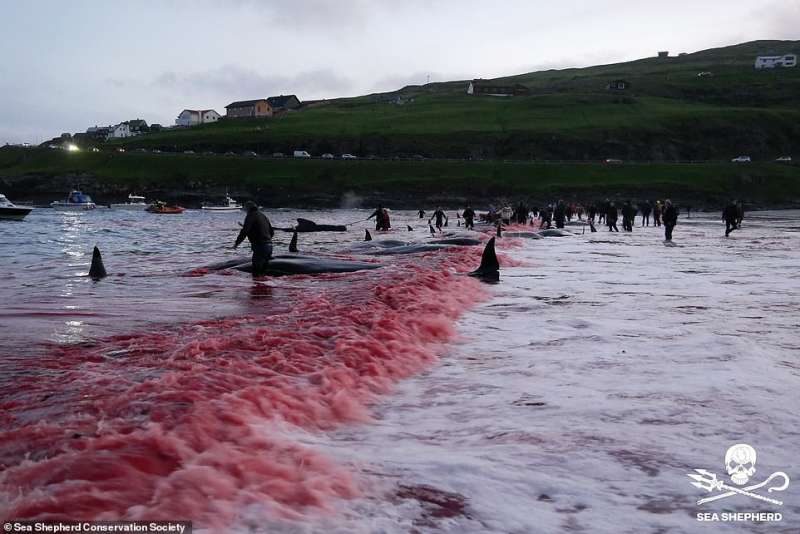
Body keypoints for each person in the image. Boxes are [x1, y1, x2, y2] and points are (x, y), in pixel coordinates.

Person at [234, 201, 274, 277]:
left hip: (260, 247)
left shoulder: (251, 215)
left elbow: (245, 231)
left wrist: (237, 243)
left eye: (244, 209)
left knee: (256, 274)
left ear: (247, 208)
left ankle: (257, 288)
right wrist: (266, 239)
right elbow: (271, 232)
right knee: (264, 274)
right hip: (269, 246)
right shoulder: (263, 216)